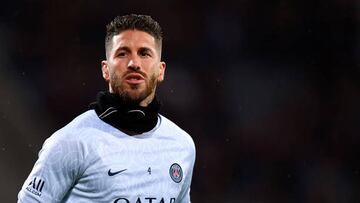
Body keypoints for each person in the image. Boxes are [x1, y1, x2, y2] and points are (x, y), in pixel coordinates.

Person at [18, 14, 196, 203]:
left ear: (161, 70)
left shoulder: (182, 145)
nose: (133, 63)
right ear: (105, 69)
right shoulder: (71, 143)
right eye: (122, 53)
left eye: (144, 53)